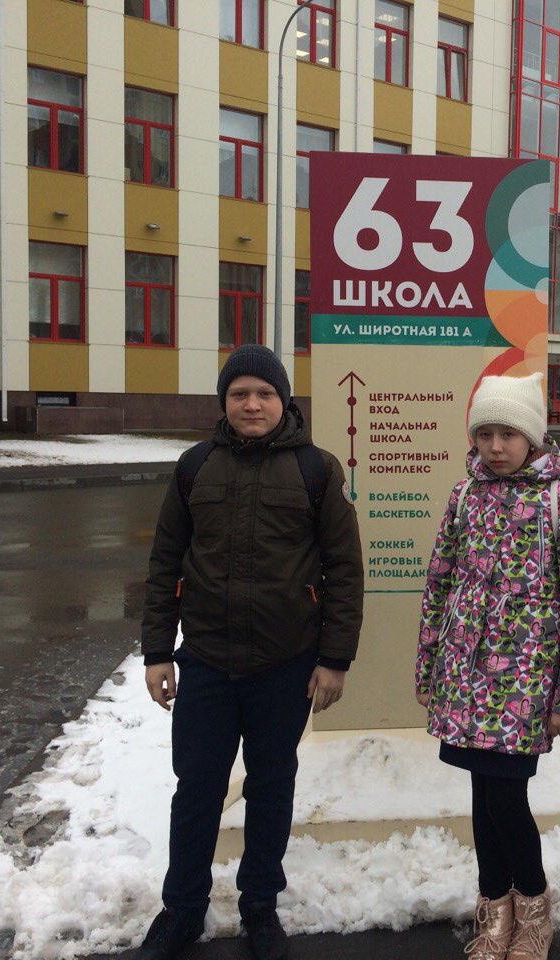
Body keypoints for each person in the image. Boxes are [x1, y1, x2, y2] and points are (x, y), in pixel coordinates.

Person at [138, 345, 364, 960]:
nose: (252, 404)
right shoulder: (195, 467)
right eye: (240, 394)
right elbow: (165, 562)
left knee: (270, 786)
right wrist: (158, 651)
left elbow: (344, 569)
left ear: (283, 401)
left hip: (285, 665)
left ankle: (260, 906)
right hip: (207, 663)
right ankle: (181, 910)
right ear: (225, 402)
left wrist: (334, 659)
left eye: (264, 394)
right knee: (197, 790)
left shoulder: (316, 470)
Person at [416, 373, 560, 960]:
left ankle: (534, 911)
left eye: (509, 434)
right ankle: (494, 911)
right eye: (485, 434)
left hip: (524, 684)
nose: (496, 447)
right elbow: (439, 584)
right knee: (482, 797)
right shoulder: (464, 496)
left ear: (533, 437)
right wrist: (428, 669)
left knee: (506, 800)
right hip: (464, 679)